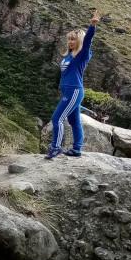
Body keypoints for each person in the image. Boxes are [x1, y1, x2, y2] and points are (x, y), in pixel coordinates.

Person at [45, 11, 100, 159]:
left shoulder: (82, 55)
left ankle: (56, 148)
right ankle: (77, 149)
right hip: (68, 92)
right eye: (69, 39)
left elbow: (88, 41)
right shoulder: (69, 56)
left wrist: (92, 25)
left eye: (73, 40)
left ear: (79, 41)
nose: (70, 42)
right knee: (74, 121)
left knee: (57, 119)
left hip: (74, 91)